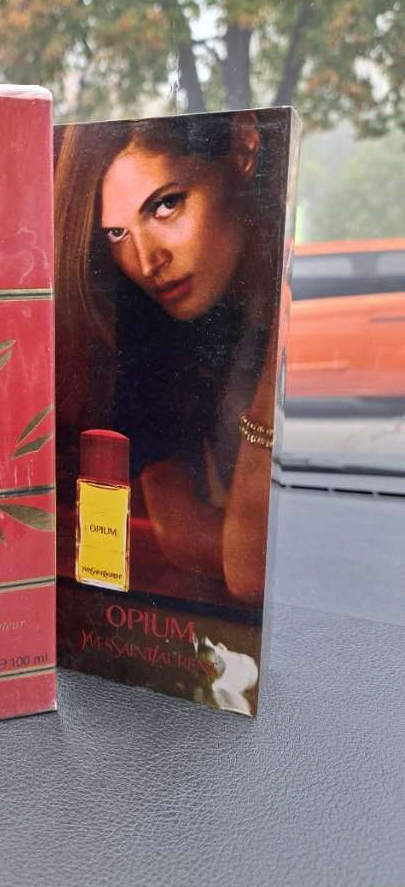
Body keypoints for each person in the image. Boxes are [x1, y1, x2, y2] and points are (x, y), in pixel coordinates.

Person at [54, 110, 288, 605]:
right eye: (117, 233)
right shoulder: (151, 324)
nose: (147, 262)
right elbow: (188, 538)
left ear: (244, 147)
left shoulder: (295, 288)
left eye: (165, 205)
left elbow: (245, 566)